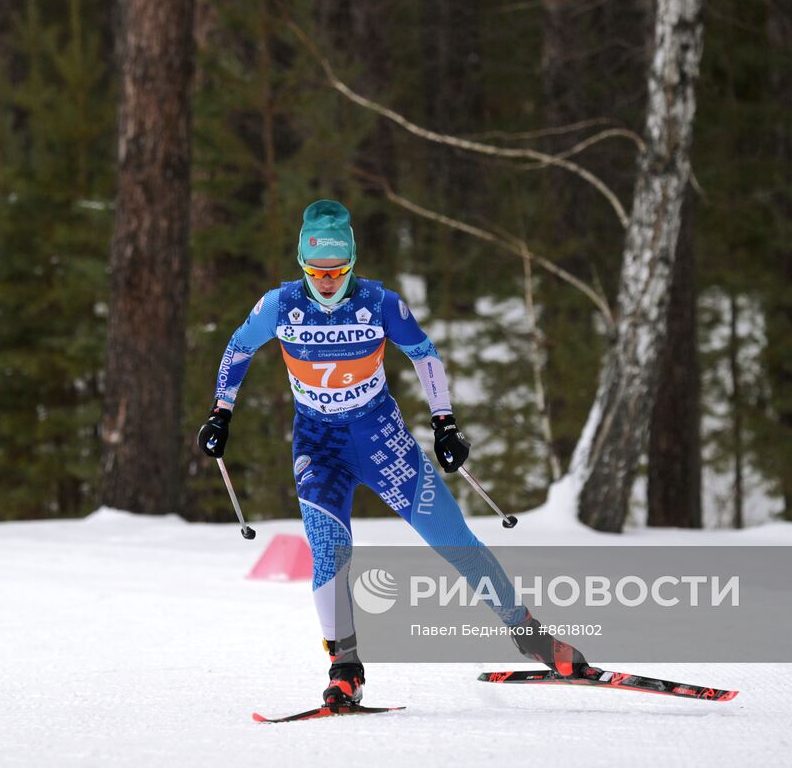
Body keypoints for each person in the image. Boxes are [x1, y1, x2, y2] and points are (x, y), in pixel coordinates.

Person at [197, 199, 588, 707]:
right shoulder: (279, 305)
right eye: (317, 271)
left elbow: (424, 354)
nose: (328, 281)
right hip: (320, 448)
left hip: (384, 442)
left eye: (338, 270)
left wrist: (444, 423)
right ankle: (345, 669)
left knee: (453, 540)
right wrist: (221, 412)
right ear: (302, 266)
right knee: (329, 554)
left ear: (352, 265)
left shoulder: (380, 303)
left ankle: (530, 635)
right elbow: (238, 347)